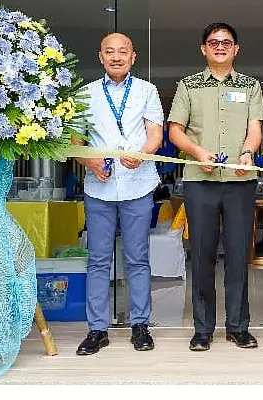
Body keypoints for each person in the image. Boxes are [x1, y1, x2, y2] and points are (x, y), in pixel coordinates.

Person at [168, 22, 263, 352]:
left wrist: (247, 152)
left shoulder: (251, 86)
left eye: (226, 42)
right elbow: (175, 131)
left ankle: (238, 327)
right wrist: (197, 152)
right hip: (200, 181)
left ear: (236, 49)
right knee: (202, 255)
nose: (220, 46)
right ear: (203, 49)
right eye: (213, 42)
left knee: (238, 255)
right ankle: (202, 329)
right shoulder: (188, 85)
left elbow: (255, 128)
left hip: (239, 181)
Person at [71, 32, 164, 355]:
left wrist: (143, 154)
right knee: (98, 259)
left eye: (122, 51)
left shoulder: (147, 91)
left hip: (138, 184)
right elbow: (75, 142)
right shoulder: (84, 94)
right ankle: (97, 329)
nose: (116, 57)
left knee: (137, 258)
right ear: (100, 57)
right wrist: (90, 162)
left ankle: (140, 325)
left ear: (133, 57)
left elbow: (155, 135)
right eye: (109, 52)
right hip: (99, 187)